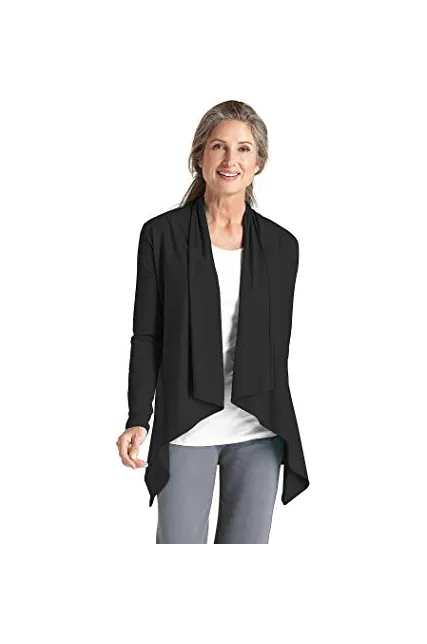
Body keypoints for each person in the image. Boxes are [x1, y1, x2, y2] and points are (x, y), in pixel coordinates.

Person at [116, 100, 309, 544]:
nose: (230, 159)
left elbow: (276, 348)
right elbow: (147, 335)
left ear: (258, 163)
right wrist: (138, 416)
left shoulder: (282, 246)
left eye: (243, 149)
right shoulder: (161, 236)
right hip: (186, 427)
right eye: (219, 146)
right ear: (199, 156)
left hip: (259, 429)